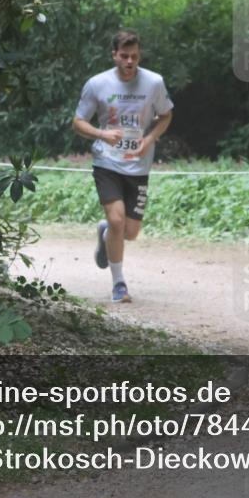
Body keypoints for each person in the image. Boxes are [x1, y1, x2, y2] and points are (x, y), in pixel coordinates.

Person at [72, 30, 173, 303]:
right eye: (125, 56)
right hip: (107, 161)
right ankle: (119, 285)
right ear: (114, 54)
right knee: (118, 220)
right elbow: (78, 122)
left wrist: (150, 138)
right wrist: (103, 134)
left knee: (130, 232)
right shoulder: (97, 84)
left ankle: (105, 232)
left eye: (135, 57)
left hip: (138, 166)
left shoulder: (153, 82)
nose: (130, 62)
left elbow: (166, 115)